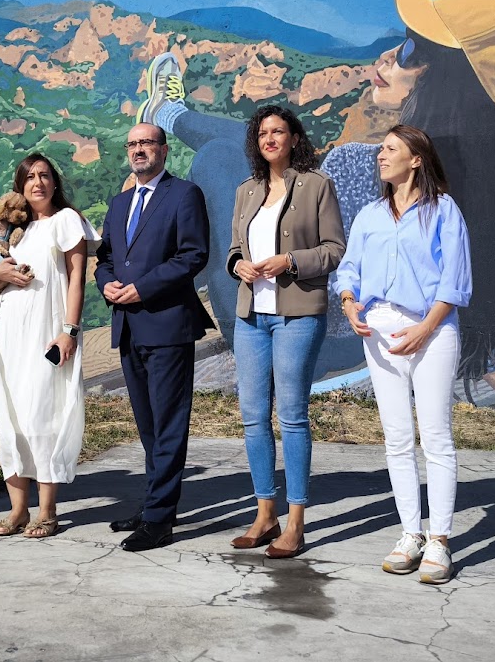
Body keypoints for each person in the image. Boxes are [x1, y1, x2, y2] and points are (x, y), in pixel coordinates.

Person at [136, 0, 495, 403]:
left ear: (451, 79)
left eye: (410, 51)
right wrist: (491, 354)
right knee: (270, 150)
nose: (388, 56)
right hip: (352, 327)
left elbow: (329, 269)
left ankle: (169, 118)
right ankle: (170, 115)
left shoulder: (363, 163)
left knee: (218, 159)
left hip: (296, 332)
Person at [334, 125, 471, 584]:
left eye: (391, 149)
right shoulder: (370, 215)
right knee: (396, 439)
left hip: (430, 331)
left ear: (416, 159)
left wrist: (426, 329)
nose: (381, 155)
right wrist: (350, 303)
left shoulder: (443, 211)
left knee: (435, 436)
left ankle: (440, 541)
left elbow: (455, 281)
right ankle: (410, 533)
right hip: (378, 332)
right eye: (380, 149)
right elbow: (349, 268)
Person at [226, 106, 345, 559]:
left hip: (296, 315)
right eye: (262, 133)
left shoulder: (317, 185)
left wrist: (291, 262)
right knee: (254, 417)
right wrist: (237, 263)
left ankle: (295, 523)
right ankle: (264, 513)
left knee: (292, 414)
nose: (270, 139)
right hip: (251, 316)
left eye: (278, 131)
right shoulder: (246, 191)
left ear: (295, 138)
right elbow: (236, 248)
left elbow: (335, 249)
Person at [94, 122, 215, 551]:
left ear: (164, 150)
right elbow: (105, 256)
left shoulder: (184, 194)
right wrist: (105, 283)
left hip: (166, 325)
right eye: (132, 144)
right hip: (128, 326)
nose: (138, 149)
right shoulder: (119, 201)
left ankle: (160, 520)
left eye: (146, 142)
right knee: (147, 426)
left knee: (167, 426)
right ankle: (152, 505)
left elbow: (193, 255)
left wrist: (144, 287)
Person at [0, 154, 91, 538]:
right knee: (10, 418)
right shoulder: (7, 230)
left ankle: (47, 511)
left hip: (45, 332)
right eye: (29, 177)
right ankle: (18, 509)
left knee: (42, 417)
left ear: (55, 183)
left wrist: (69, 330)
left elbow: (77, 277)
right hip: (4, 332)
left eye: (45, 176)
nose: (37, 182)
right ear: (19, 185)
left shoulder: (66, 220)